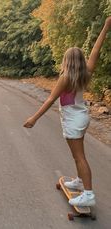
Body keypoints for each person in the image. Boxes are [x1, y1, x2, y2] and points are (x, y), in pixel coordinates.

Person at [24, 17, 111, 207]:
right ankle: (80, 182)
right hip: (82, 117)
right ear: (80, 60)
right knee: (77, 155)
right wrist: (106, 26)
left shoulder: (65, 78)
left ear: (67, 61)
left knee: (80, 157)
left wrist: (34, 118)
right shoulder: (86, 71)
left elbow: (50, 99)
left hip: (73, 119)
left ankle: (88, 194)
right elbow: (96, 50)